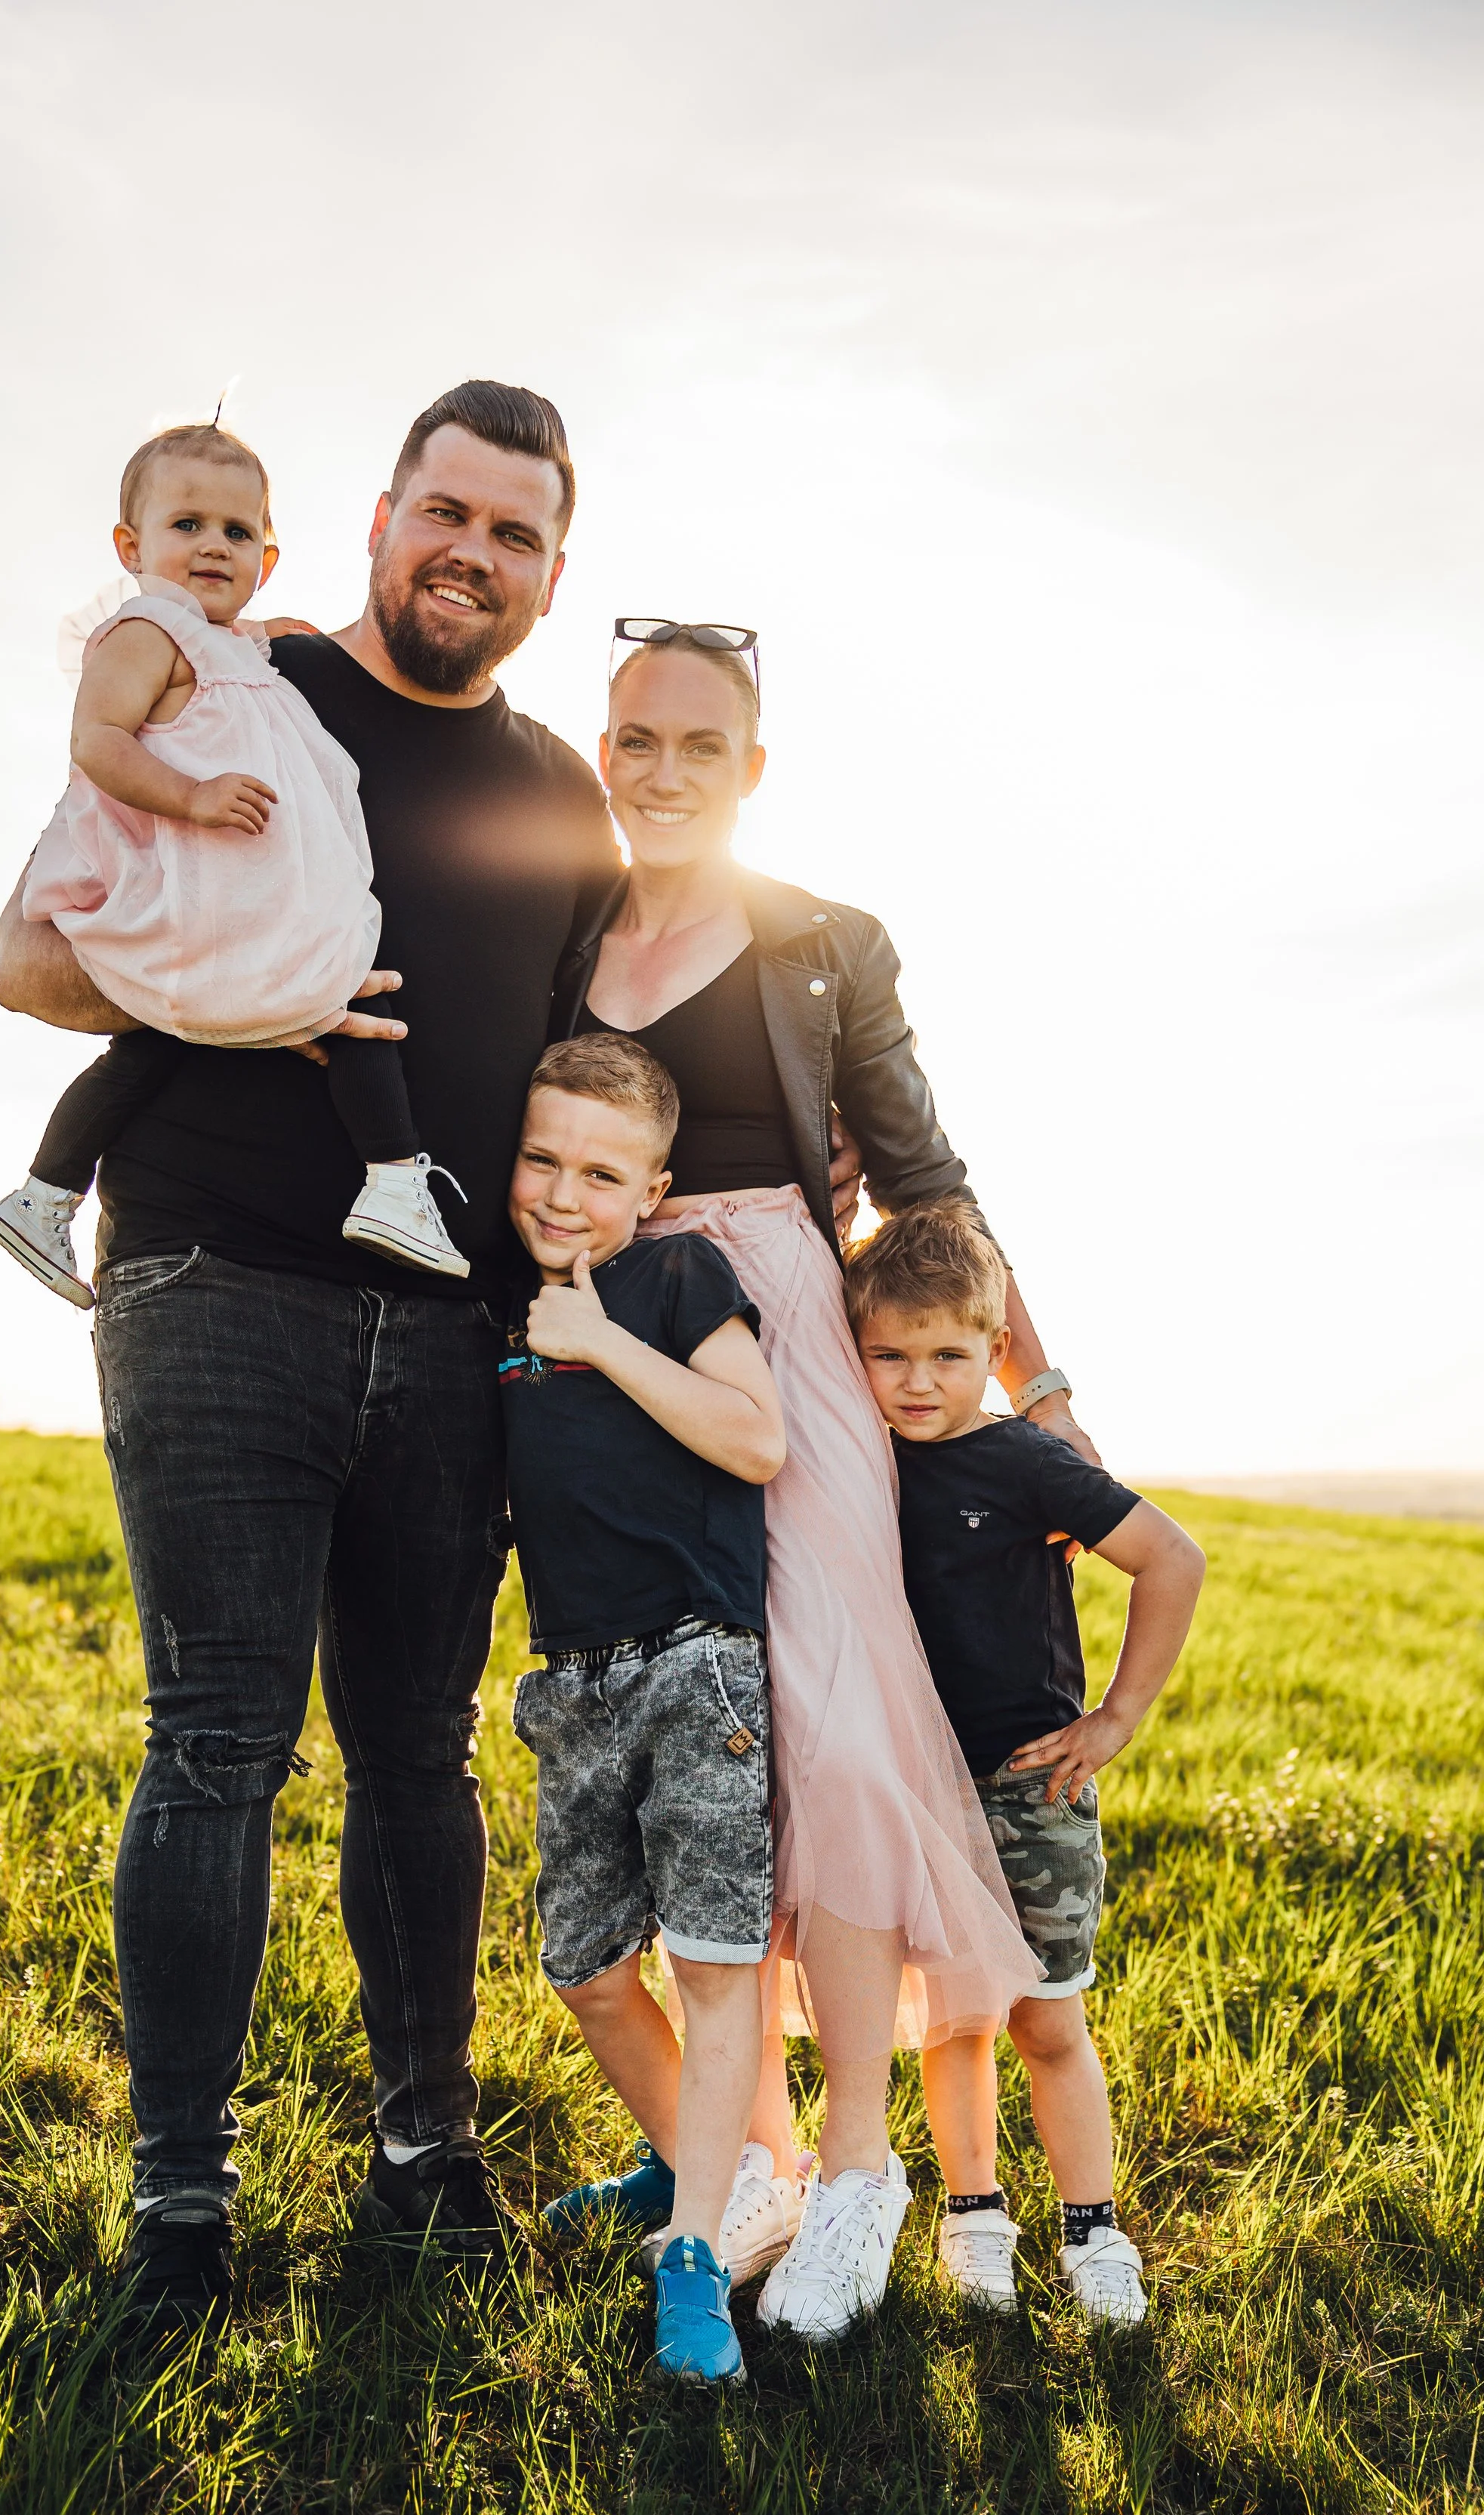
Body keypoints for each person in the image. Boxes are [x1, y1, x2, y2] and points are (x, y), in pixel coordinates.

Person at [0, 381, 622, 2341]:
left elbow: (596, 1061)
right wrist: (246, 991)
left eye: (513, 533)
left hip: (450, 1327)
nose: (472, 553)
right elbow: (30, 956)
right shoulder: (231, 681)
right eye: (448, 511)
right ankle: (182, 2199)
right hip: (212, 1275)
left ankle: (424, 2148)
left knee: (418, 1753)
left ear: (545, 571)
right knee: (215, 1741)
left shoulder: (555, 788)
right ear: (379, 512)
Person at [540, 619, 1097, 2344]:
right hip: (624, 1344)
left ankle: (861, 2170)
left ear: (753, 765)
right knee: (719, 1753)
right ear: (605, 745)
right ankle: (751, 2157)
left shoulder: (823, 944)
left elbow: (925, 1181)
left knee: (844, 1733)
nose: (660, 769)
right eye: (633, 737)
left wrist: (1044, 1384)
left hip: (789, 1324)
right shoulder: (561, 930)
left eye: (699, 744)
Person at [0, 420, 469, 1301]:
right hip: (180, 880)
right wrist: (191, 796)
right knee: (341, 988)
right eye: (188, 526)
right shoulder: (144, 628)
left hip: (226, 889)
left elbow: (231, 678)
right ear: (132, 546)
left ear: (266, 559)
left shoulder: (231, 644)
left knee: (162, 1047)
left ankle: (46, 1192)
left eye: (238, 533)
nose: (214, 545)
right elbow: (96, 739)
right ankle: (395, 1182)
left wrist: (266, 634)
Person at [848, 1200, 1205, 2325]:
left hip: (1030, 1786)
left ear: (995, 1351)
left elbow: (1171, 1558)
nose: (918, 1380)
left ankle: (1093, 2229)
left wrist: (1115, 1718)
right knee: (953, 2021)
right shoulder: (860, 1470)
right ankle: (974, 2212)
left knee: (1047, 2019)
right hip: (917, 1790)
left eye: (949, 1354)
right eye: (890, 1354)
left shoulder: (1026, 1462)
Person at [503, 1035, 785, 2383]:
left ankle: (694, 2253)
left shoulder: (676, 1276)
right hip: (571, 1681)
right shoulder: (503, 1311)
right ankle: (709, 2169)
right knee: (585, 1970)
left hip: (698, 1668)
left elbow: (757, 1440)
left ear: (653, 1188)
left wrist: (603, 1341)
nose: (565, 1193)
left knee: (713, 1964)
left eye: (602, 1172)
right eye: (541, 1159)